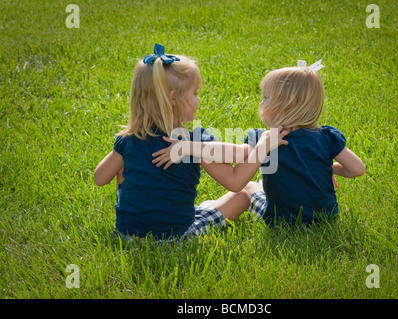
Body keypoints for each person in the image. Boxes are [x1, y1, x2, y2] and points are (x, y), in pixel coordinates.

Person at [94, 43, 289, 240]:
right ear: (173, 98)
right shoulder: (192, 142)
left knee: (122, 169)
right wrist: (262, 144)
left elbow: (99, 178)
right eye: (195, 93)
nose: (199, 100)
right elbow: (236, 178)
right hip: (176, 236)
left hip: (127, 235)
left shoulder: (128, 140)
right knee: (244, 195)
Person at [154, 60, 365, 226]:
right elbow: (357, 169)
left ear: (286, 105)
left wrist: (192, 146)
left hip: (281, 219)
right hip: (327, 217)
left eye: (266, 98)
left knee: (250, 186)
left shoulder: (266, 138)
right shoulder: (327, 137)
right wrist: (329, 168)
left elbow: (235, 154)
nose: (261, 103)